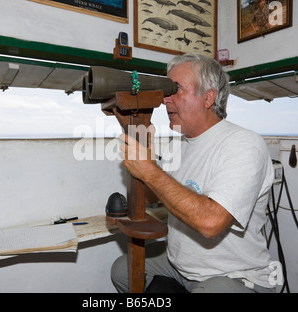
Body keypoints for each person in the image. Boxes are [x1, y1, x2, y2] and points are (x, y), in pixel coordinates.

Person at [111, 53, 276, 293]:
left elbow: (211, 222)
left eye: (175, 90)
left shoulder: (244, 143)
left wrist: (149, 171)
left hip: (235, 273)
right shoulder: (178, 145)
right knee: (122, 271)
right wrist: (143, 149)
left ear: (208, 98)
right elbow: (150, 197)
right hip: (179, 266)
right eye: (165, 91)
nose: (165, 100)